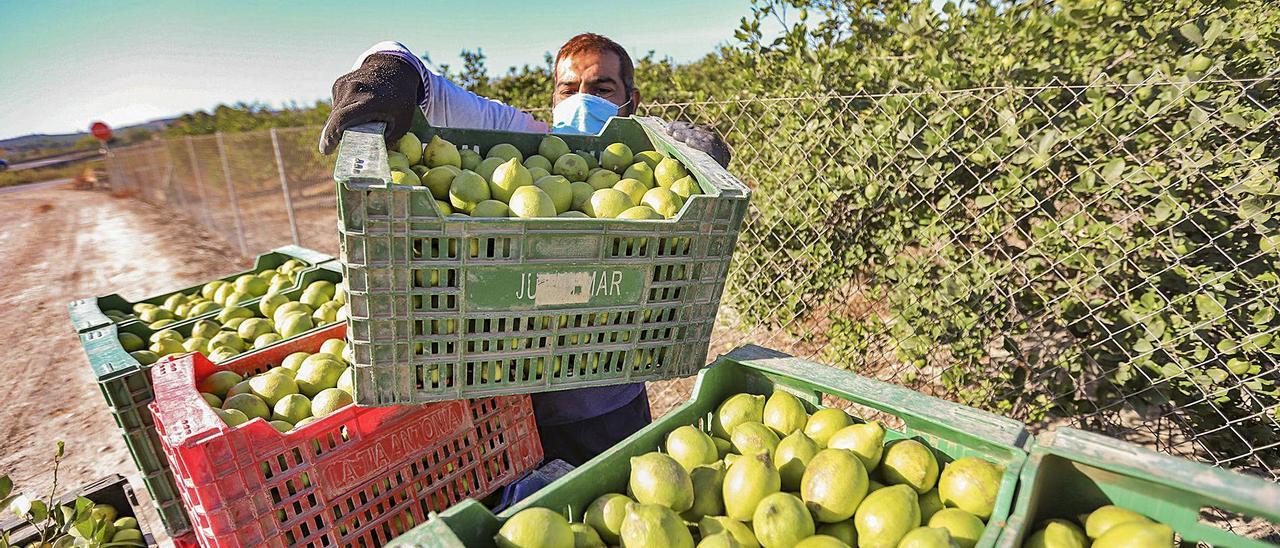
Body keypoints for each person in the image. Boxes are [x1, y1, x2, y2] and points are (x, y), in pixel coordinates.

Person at [319, 33, 730, 465]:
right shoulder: (522, 137)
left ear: (631, 100)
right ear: (553, 97)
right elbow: (412, 69)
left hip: (607, 399)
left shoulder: (646, 159)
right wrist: (385, 76)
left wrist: (694, 161)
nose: (582, 98)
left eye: (602, 88)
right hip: (505, 403)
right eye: (568, 89)